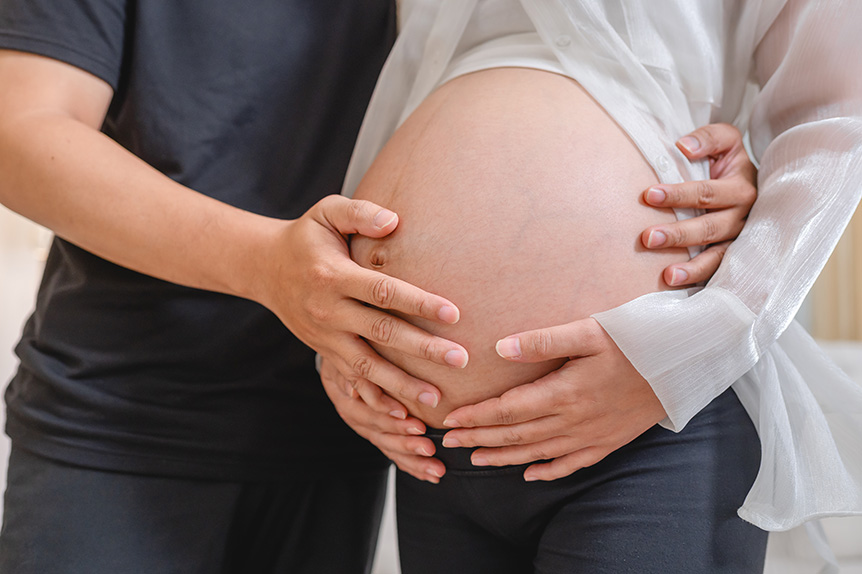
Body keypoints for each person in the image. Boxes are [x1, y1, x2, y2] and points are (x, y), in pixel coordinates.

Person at [0, 1, 758, 573]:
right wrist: (266, 264)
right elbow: (18, 129)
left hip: (357, 426)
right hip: (129, 415)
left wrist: (725, 162)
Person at [321, 0, 862, 572]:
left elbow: (836, 112)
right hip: (431, 444)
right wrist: (337, 329)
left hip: (650, 418)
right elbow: (406, 83)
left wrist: (695, 349)